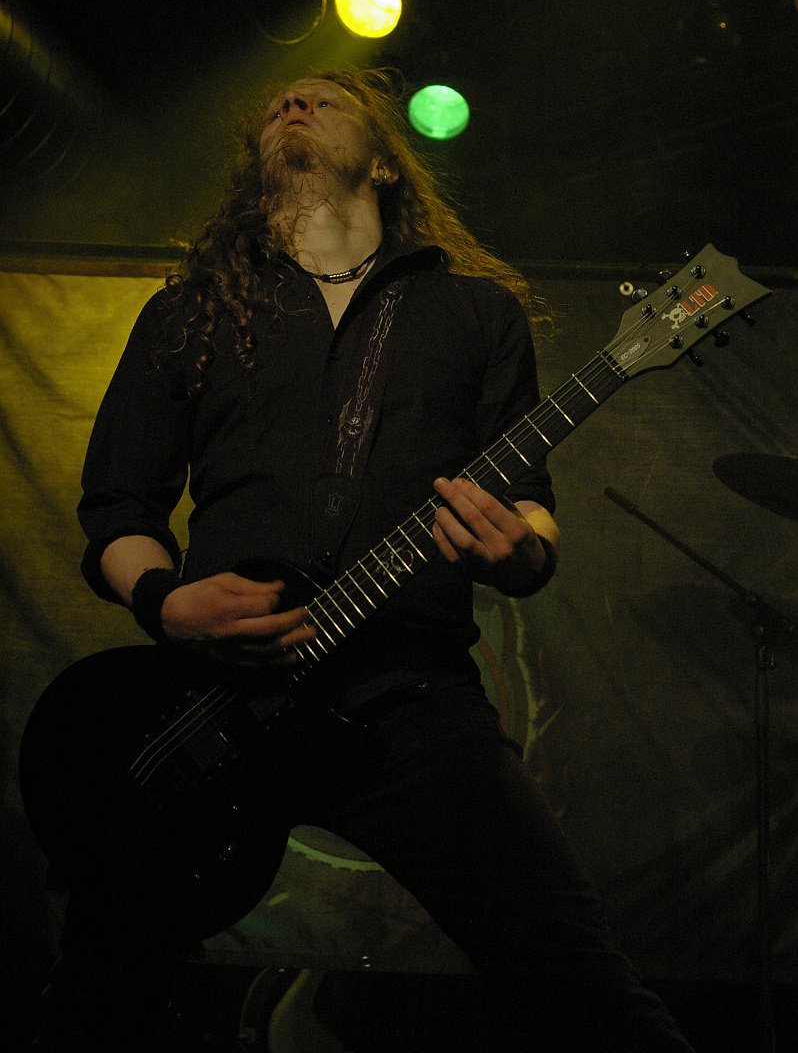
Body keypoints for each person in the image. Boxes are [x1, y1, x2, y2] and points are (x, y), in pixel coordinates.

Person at [32, 68, 695, 1051]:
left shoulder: (476, 314)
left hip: (407, 698)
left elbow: (528, 503)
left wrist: (521, 552)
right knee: (98, 993)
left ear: (384, 161)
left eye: (325, 100)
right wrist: (166, 603)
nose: (293, 104)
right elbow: (118, 507)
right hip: (209, 703)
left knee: (576, 981)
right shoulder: (190, 312)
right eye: (278, 104)